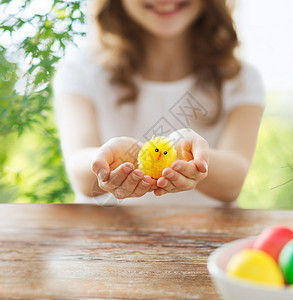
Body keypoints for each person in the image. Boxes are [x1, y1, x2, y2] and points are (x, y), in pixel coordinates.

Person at [53, 0, 265, 206]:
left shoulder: (240, 78)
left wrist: (195, 159)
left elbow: (233, 181)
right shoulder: (79, 72)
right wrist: (117, 159)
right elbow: (79, 170)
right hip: (105, 234)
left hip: (207, 237)